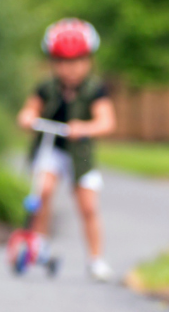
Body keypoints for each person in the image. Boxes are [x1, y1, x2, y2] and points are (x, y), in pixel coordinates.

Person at [17, 19, 117, 281]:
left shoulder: (95, 89)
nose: (69, 68)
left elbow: (106, 121)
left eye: (76, 61)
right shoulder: (47, 87)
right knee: (43, 191)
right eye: (62, 61)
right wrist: (28, 117)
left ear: (88, 61)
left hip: (79, 155)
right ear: (53, 62)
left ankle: (96, 259)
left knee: (88, 206)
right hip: (52, 149)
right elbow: (29, 110)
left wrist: (84, 128)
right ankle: (39, 244)